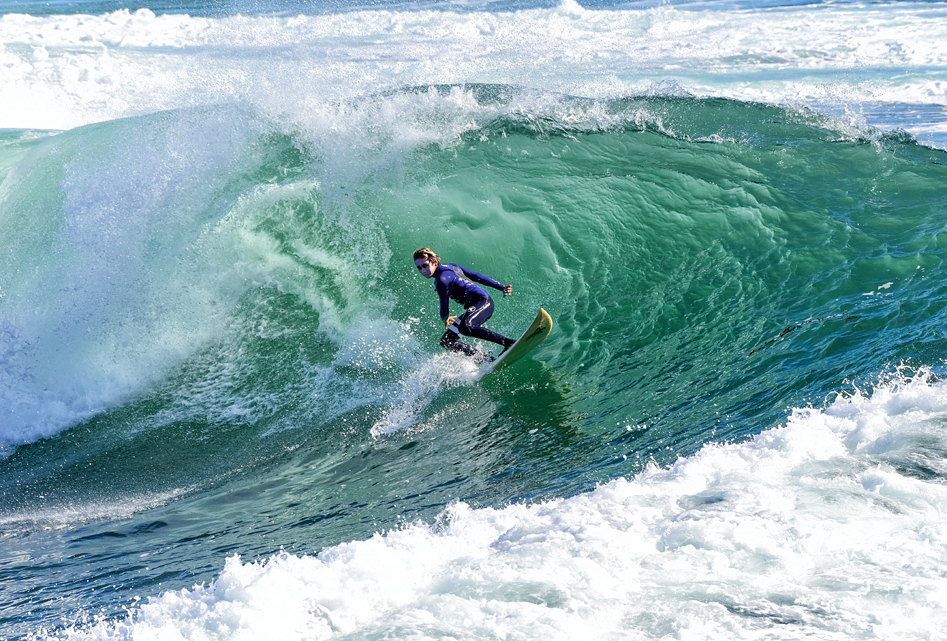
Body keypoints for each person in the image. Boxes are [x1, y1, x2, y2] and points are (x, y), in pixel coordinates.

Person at [413, 247, 515, 361]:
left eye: (425, 265)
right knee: (447, 341)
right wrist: (501, 287)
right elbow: (477, 276)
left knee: (466, 327)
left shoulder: (441, 280)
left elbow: (444, 305)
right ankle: (486, 360)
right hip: (478, 306)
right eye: (419, 268)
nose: (423, 271)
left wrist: (445, 318)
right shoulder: (451, 267)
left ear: (435, 262)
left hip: (482, 303)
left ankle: (508, 342)